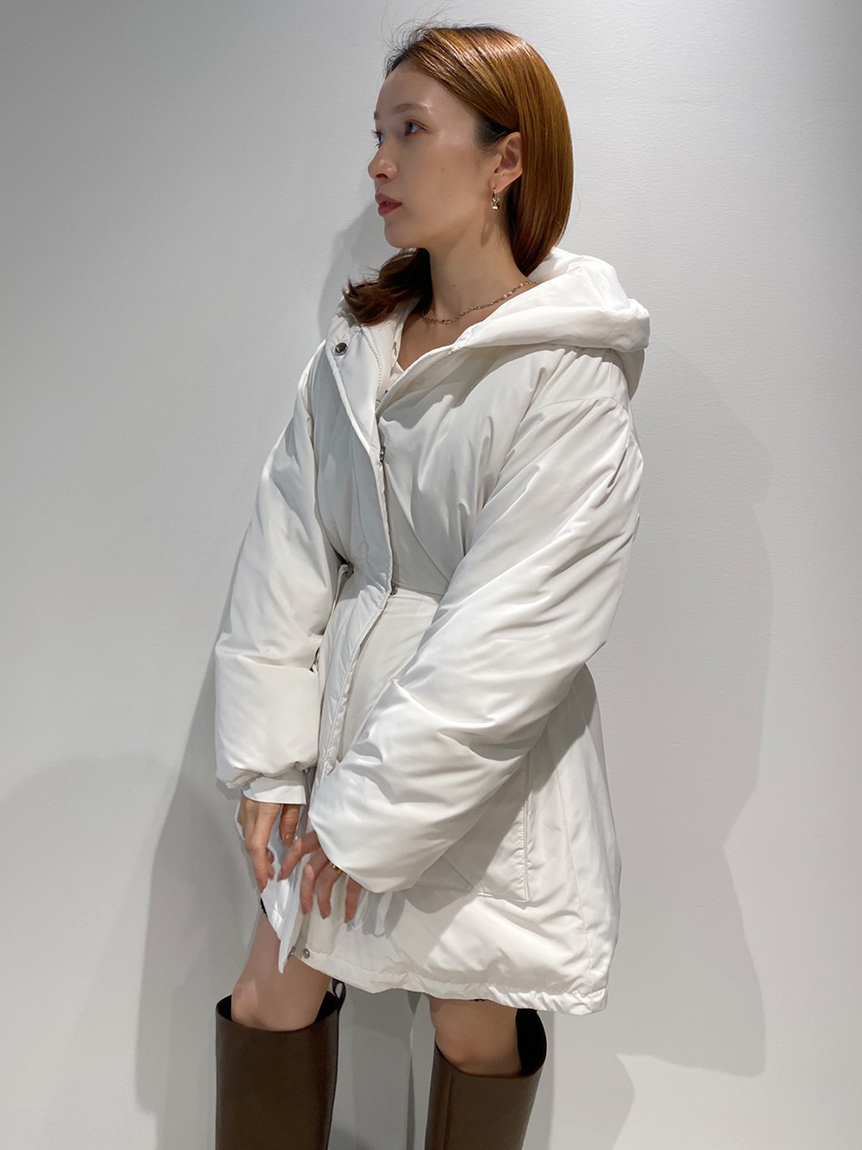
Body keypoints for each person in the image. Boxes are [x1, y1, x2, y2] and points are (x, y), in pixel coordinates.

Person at [212, 20, 650, 1150]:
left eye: (411, 130)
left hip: (486, 773)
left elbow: (513, 634)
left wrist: (364, 822)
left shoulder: (568, 374)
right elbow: (286, 557)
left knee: (470, 1023)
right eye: (377, 133)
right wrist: (273, 763)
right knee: (271, 996)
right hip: (341, 744)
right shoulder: (353, 355)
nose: (380, 162)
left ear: (508, 159)